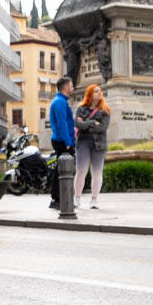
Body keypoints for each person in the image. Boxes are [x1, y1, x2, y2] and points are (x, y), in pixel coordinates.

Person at [73, 83, 111, 209]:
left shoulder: (105, 110)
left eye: (100, 91)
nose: (99, 93)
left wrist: (86, 124)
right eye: (96, 91)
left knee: (97, 172)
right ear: (90, 94)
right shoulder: (81, 108)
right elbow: (78, 125)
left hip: (99, 144)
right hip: (83, 142)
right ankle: (77, 198)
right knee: (81, 171)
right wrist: (92, 122)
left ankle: (94, 200)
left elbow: (102, 127)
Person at [48, 76, 75, 209]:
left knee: (61, 170)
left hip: (62, 140)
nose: (73, 87)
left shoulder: (61, 101)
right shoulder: (59, 102)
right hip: (62, 141)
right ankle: (57, 200)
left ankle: (58, 199)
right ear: (65, 87)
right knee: (63, 170)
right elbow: (62, 123)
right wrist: (68, 142)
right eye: (71, 85)